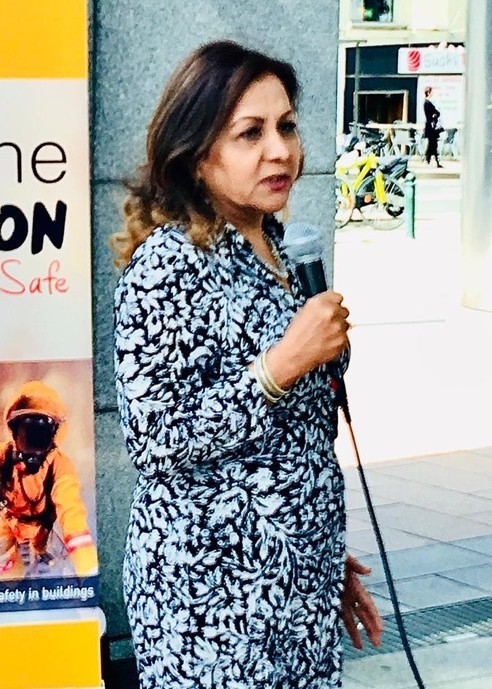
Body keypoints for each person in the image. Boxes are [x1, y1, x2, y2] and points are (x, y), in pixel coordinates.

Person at [113, 40, 383, 689]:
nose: (280, 150)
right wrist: (280, 366)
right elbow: (155, 439)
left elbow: (285, 442)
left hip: (297, 584)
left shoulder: (282, 247)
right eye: (250, 133)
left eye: (286, 126)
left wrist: (320, 551)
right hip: (211, 601)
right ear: (197, 154)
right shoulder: (169, 265)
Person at [0, 381, 98, 579]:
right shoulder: (3, 457)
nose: (34, 442)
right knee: (9, 578)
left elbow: (72, 514)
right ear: (14, 432)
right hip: (6, 529)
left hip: (42, 538)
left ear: (54, 435)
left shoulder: (59, 465)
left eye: (41, 434)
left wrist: (89, 572)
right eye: (27, 433)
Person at [423, 86, 443, 167]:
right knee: (433, 144)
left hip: (431, 127)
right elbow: (434, 113)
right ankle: (429, 159)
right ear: (428, 92)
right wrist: (435, 115)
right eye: (431, 92)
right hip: (431, 127)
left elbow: (436, 113)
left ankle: (430, 160)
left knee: (432, 144)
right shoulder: (427, 103)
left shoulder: (427, 103)